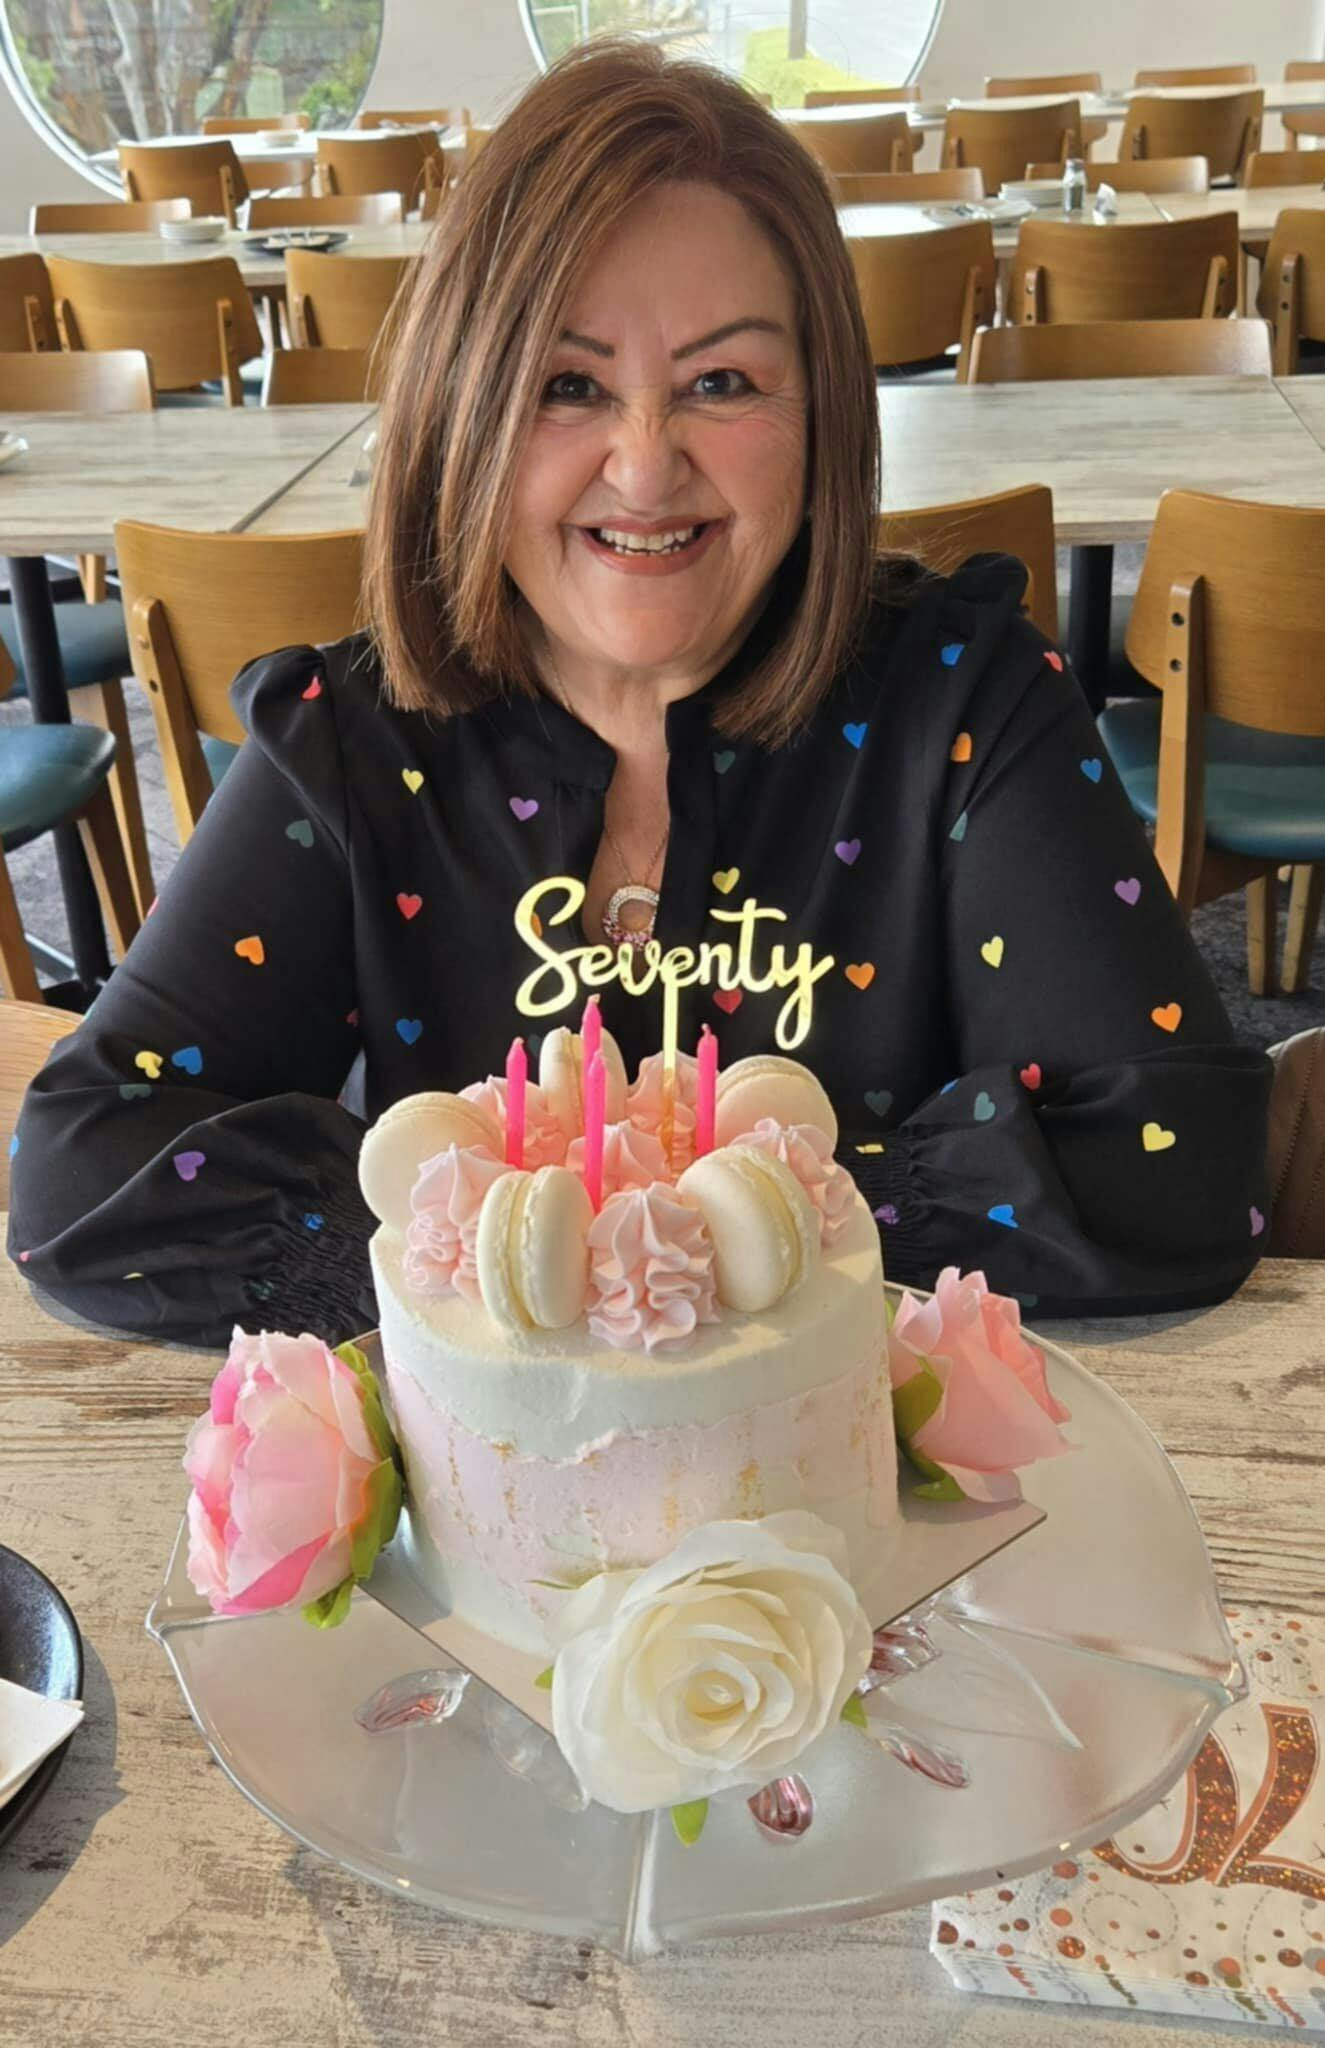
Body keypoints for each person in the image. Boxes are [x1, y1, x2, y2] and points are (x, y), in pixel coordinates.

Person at [7, 39, 1270, 1348]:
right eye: (568, 386)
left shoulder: (963, 700)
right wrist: (495, 1262)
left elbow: (1175, 1160)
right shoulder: (348, 741)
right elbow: (84, 1170)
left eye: (722, 383)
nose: (645, 466)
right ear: (461, 413)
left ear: (823, 415)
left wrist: (688, 1251)